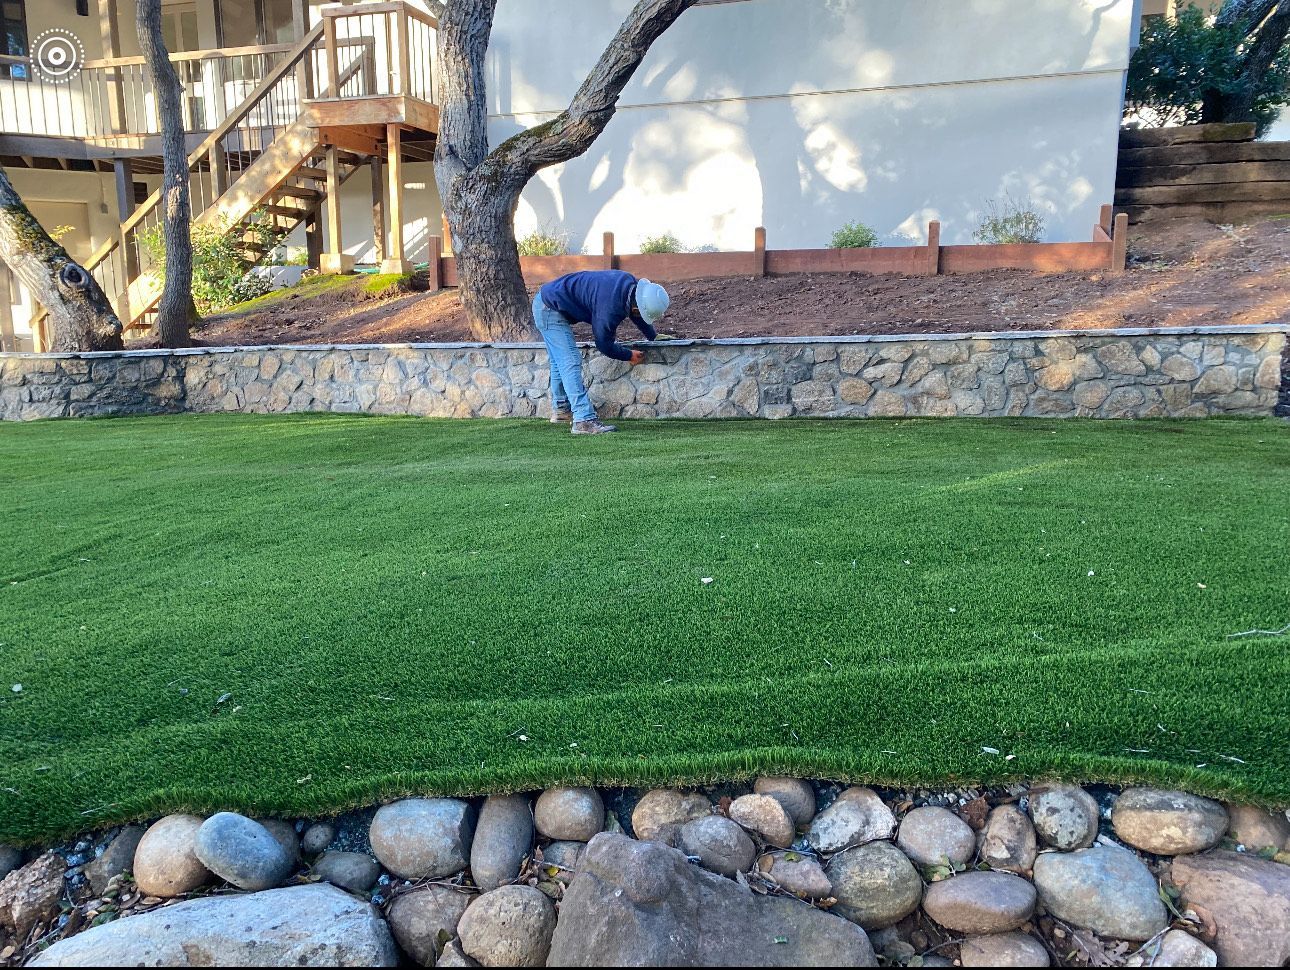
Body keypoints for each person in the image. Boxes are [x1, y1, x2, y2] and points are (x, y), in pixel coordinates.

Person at [531, 270, 671, 435]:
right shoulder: (610, 307)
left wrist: (653, 336)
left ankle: (562, 410)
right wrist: (628, 355)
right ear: (637, 306)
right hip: (549, 309)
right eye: (639, 311)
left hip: (546, 302)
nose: (639, 314)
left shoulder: (628, 285)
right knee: (569, 360)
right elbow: (603, 344)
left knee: (559, 361)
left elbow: (637, 311)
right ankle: (583, 420)